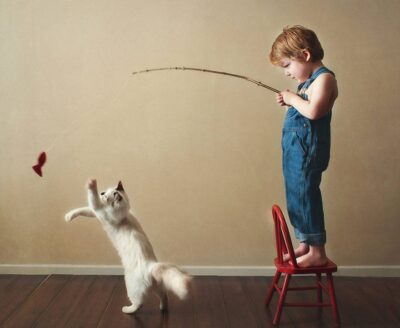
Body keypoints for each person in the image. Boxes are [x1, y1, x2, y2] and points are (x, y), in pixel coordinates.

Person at [269, 26, 338, 267]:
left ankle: (317, 251)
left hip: (309, 151)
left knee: (306, 194)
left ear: (305, 55)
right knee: (296, 195)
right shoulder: (307, 83)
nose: (286, 72)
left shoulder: (324, 79)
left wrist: (293, 99)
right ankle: (305, 244)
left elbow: (314, 111)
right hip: (295, 151)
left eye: (288, 65)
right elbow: (302, 112)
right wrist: (290, 102)